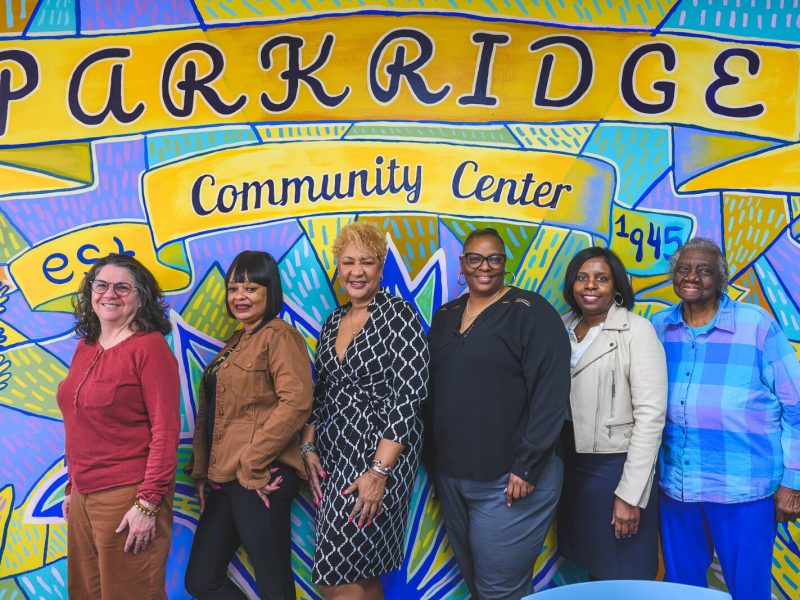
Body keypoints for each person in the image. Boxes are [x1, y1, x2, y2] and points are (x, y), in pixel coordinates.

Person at [426, 227, 570, 600]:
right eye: (475, 258)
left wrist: (528, 464)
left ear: (505, 264)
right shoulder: (446, 314)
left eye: (494, 259)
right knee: (478, 584)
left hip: (509, 479)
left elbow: (551, 393)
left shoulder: (531, 312)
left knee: (499, 590)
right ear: (463, 264)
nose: (484, 267)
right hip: (454, 476)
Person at [652, 237, 800, 599]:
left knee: (748, 591)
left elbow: (796, 407)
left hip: (743, 489)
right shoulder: (657, 327)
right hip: (678, 487)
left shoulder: (756, 326)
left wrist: (793, 481)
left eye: (704, 270)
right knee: (681, 590)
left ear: (720, 278)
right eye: (684, 269)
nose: (692, 277)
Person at [300, 222, 428, 600]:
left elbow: (410, 395)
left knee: (336, 575)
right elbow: (321, 391)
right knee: (359, 567)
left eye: (367, 263)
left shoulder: (398, 314)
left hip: (380, 453)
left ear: (380, 266)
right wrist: (308, 447)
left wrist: (379, 472)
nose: (356, 272)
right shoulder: (333, 321)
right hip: (337, 453)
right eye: (347, 262)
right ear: (338, 268)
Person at [184, 250, 313, 600]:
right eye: (233, 288)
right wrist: (202, 472)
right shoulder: (237, 342)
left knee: (275, 587)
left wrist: (253, 463)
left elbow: (297, 402)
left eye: (251, 288)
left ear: (270, 292)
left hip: (262, 476)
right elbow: (217, 413)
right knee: (201, 580)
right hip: (227, 478)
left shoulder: (279, 336)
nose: (239, 296)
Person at [58, 253, 180, 600]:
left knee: (131, 594)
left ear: (140, 298)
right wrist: (72, 487)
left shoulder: (149, 348)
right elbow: (80, 423)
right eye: (101, 285)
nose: (109, 294)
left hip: (128, 495)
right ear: (90, 292)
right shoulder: (86, 348)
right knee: (85, 593)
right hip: (83, 494)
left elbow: (165, 432)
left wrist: (147, 504)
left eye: (122, 287)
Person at [557, 247, 667, 580]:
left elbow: (650, 416)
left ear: (616, 286)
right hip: (572, 467)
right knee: (595, 568)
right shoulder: (561, 327)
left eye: (601, 279)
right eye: (582, 277)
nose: (590, 286)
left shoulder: (637, 331)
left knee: (624, 571)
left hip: (615, 467)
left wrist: (630, 495)